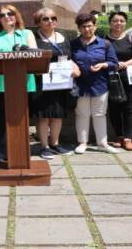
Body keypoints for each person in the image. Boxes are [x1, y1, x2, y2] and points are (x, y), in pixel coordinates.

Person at [0, 5, 37, 161]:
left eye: (10, 13)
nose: (7, 17)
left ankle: (19, 152)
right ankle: (1, 153)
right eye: (2, 15)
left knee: (19, 120)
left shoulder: (26, 34)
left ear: (16, 16)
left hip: (21, 83)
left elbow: (35, 54)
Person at [31, 8, 79, 159]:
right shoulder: (34, 39)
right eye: (45, 19)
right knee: (44, 116)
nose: (50, 21)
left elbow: (68, 58)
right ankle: (44, 146)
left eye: (53, 18)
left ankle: (55, 143)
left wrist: (75, 69)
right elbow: (32, 60)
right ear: (38, 22)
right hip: (43, 83)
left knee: (58, 115)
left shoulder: (63, 38)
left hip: (60, 82)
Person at [70, 13, 119, 154]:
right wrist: (73, 65)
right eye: (83, 27)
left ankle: (102, 143)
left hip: (100, 84)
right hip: (80, 85)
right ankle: (82, 143)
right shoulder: (73, 44)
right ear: (79, 28)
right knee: (82, 114)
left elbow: (114, 63)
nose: (87, 29)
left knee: (99, 114)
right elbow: (67, 59)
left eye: (90, 26)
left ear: (95, 26)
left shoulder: (105, 44)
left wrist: (103, 65)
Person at [105, 11, 132, 151]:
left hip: (129, 77)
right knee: (114, 107)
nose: (118, 23)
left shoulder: (131, 39)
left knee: (129, 107)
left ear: (125, 23)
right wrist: (113, 63)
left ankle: (128, 138)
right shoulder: (104, 40)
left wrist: (125, 64)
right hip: (111, 78)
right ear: (110, 23)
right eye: (115, 21)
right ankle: (119, 136)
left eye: (121, 21)